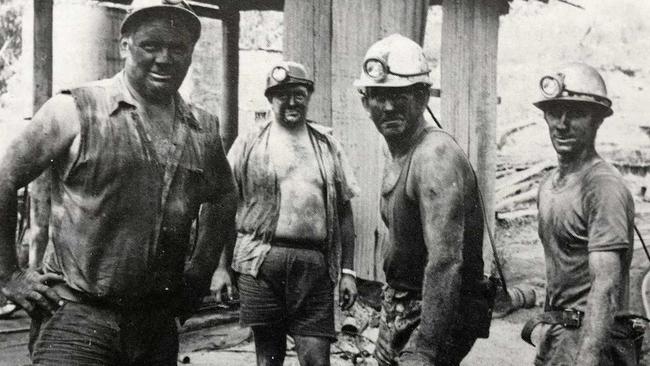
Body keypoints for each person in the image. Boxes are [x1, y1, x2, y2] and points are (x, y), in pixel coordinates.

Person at [0, 0, 237, 364]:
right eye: (151, 45)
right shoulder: (76, 109)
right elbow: (4, 177)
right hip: (77, 316)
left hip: (155, 324)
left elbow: (223, 195)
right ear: (124, 45)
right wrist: (9, 275)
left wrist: (201, 270)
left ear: (191, 53)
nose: (164, 58)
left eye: (177, 48)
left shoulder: (202, 129)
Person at [355, 34, 492, 366]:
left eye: (399, 96)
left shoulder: (434, 156)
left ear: (422, 97)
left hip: (441, 307)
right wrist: (390, 325)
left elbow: (446, 261)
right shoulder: (402, 151)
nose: (387, 107)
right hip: (404, 302)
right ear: (365, 102)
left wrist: (427, 347)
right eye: (378, 96)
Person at [226, 60, 359, 366]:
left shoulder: (327, 145)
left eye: (299, 94)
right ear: (270, 98)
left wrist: (349, 273)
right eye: (282, 95)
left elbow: (344, 211)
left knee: (316, 360)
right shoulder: (249, 143)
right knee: (268, 359)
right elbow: (224, 203)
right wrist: (222, 268)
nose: (291, 102)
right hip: (259, 262)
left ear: (308, 96)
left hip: (314, 267)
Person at [523, 62, 644, 365]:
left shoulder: (603, 188)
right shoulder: (548, 185)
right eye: (554, 112)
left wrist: (587, 357)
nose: (561, 124)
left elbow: (606, 288)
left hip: (592, 343)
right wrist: (544, 333)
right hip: (557, 338)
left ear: (597, 120)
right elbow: (558, 275)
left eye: (575, 113)